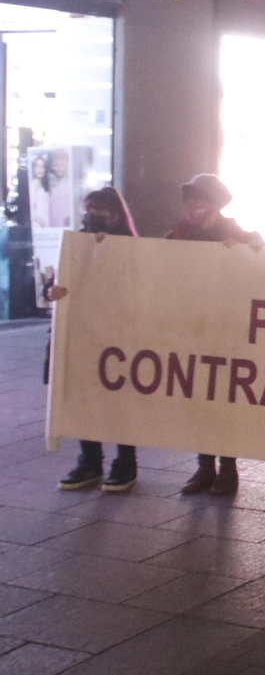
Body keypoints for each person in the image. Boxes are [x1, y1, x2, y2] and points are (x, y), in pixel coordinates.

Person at [166, 174, 265, 496]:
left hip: (227, 329)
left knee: (223, 398)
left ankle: (228, 468)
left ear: (216, 204)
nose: (194, 206)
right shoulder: (179, 234)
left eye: (201, 199)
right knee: (198, 399)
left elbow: (260, 252)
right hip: (193, 327)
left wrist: (248, 247)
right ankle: (204, 466)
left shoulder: (233, 232)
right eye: (190, 200)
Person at [53, 188, 140, 492]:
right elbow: (56, 284)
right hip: (83, 333)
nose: (96, 218)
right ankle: (89, 461)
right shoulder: (74, 246)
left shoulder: (132, 249)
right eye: (91, 211)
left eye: (103, 212)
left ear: (117, 216)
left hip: (119, 334)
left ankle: (125, 462)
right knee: (82, 396)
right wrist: (53, 292)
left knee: (119, 398)